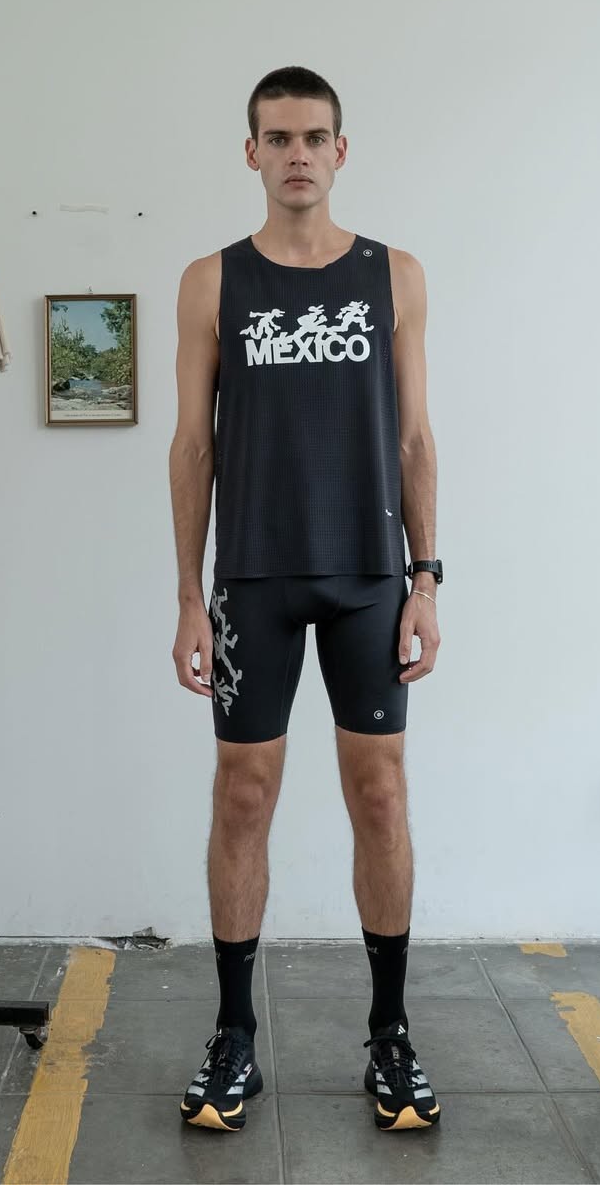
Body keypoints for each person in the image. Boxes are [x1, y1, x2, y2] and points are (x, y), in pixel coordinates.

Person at [168, 66, 442, 1133]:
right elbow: (193, 447)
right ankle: (235, 1034)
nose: (296, 154)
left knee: (381, 796)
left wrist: (427, 578)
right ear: (251, 153)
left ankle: (391, 1033)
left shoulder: (394, 275)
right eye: (277, 137)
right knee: (243, 797)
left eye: (313, 137)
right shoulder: (212, 282)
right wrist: (188, 599)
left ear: (340, 151)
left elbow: (413, 439)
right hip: (254, 577)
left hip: (370, 576)